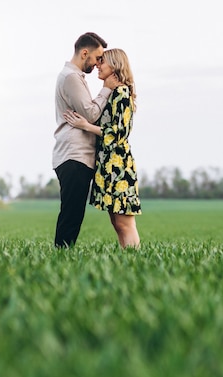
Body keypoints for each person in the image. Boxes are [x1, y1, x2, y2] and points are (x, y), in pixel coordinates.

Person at [63, 48, 141, 249]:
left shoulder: (122, 92)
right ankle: (130, 263)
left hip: (119, 165)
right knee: (117, 223)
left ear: (115, 65)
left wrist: (86, 126)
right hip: (107, 165)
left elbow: (119, 133)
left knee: (124, 223)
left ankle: (136, 262)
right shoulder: (113, 93)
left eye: (102, 62)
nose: (98, 64)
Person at [53, 32, 120, 248]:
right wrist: (107, 89)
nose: (99, 63)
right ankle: (60, 257)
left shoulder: (74, 77)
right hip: (75, 155)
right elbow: (91, 114)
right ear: (84, 53)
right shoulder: (71, 77)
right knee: (71, 214)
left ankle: (61, 256)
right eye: (97, 57)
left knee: (74, 213)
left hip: (77, 155)